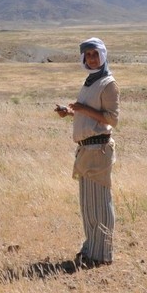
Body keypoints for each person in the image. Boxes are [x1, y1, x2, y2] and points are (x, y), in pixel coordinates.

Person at [55, 37, 120, 268]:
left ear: (103, 55)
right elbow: (90, 115)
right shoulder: (91, 81)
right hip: (86, 149)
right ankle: (91, 249)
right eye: (87, 55)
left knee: (100, 202)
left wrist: (83, 109)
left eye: (95, 54)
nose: (91, 58)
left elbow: (112, 119)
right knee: (88, 204)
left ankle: (103, 253)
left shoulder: (108, 83)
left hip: (99, 149)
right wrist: (70, 112)